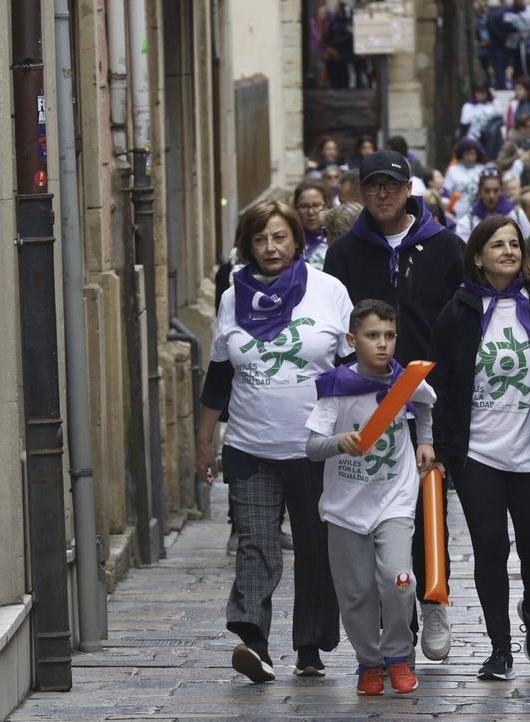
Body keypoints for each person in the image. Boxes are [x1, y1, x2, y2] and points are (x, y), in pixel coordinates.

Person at [430, 215, 530, 681]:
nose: (508, 251)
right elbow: (440, 383)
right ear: (478, 256)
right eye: (497, 245)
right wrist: (440, 445)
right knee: (490, 547)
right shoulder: (458, 310)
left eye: (514, 244)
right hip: (477, 453)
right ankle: (499, 648)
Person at [196, 199, 351, 683]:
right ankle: (254, 643)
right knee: (256, 544)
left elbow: (351, 369)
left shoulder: (328, 291)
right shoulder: (231, 297)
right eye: (260, 238)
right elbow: (219, 375)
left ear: (297, 241)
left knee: (315, 547)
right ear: (248, 245)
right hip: (249, 445)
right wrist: (204, 441)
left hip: (315, 448)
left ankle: (310, 646)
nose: (271, 247)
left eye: (280, 236)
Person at [321, 151, 464, 662]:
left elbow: (460, 325)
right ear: (360, 192)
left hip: (426, 400)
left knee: (427, 510)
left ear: (408, 190)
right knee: (373, 515)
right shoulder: (344, 254)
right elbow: (336, 329)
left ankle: (434, 599)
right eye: (373, 186)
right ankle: (391, 622)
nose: (382, 194)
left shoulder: (445, 246)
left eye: (391, 185)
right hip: (365, 404)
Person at [304, 300, 435, 696]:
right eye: (372, 335)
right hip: (346, 506)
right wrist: (339, 442)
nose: (382, 344)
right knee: (356, 592)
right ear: (351, 339)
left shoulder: (406, 381)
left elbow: (424, 404)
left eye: (389, 336)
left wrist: (425, 440)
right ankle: (369, 662)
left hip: (395, 498)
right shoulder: (336, 388)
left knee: (399, 580)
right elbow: (312, 447)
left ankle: (398, 655)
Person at [457, 168, 530, 240]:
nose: (491, 195)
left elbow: (529, 243)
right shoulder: (468, 222)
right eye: (487, 191)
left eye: (496, 190)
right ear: (480, 191)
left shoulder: (517, 215)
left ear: (502, 190)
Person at [444, 138, 489, 221]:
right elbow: (445, 192)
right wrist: (449, 209)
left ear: (477, 154)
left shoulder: (482, 170)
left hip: (479, 213)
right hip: (457, 214)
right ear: (462, 154)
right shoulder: (453, 170)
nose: (469, 157)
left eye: (472, 154)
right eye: (466, 154)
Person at [293, 179, 331, 270]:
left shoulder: (337, 239)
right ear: (296, 208)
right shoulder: (291, 242)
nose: (310, 212)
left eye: (316, 205)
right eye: (304, 206)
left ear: (326, 205)